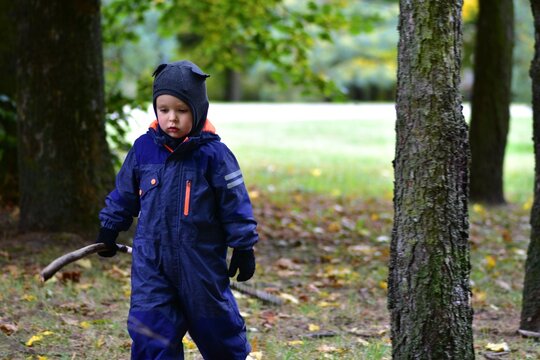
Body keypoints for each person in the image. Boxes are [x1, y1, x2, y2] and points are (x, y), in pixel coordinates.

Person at [95, 60, 258, 360]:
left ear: (198, 109)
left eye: (182, 111)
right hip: (151, 263)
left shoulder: (214, 156)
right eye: (164, 109)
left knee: (218, 330)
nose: (172, 118)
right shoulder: (144, 149)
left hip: (201, 264)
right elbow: (124, 193)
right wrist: (110, 226)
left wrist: (243, 246)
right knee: (151, 330)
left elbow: (235, 204)